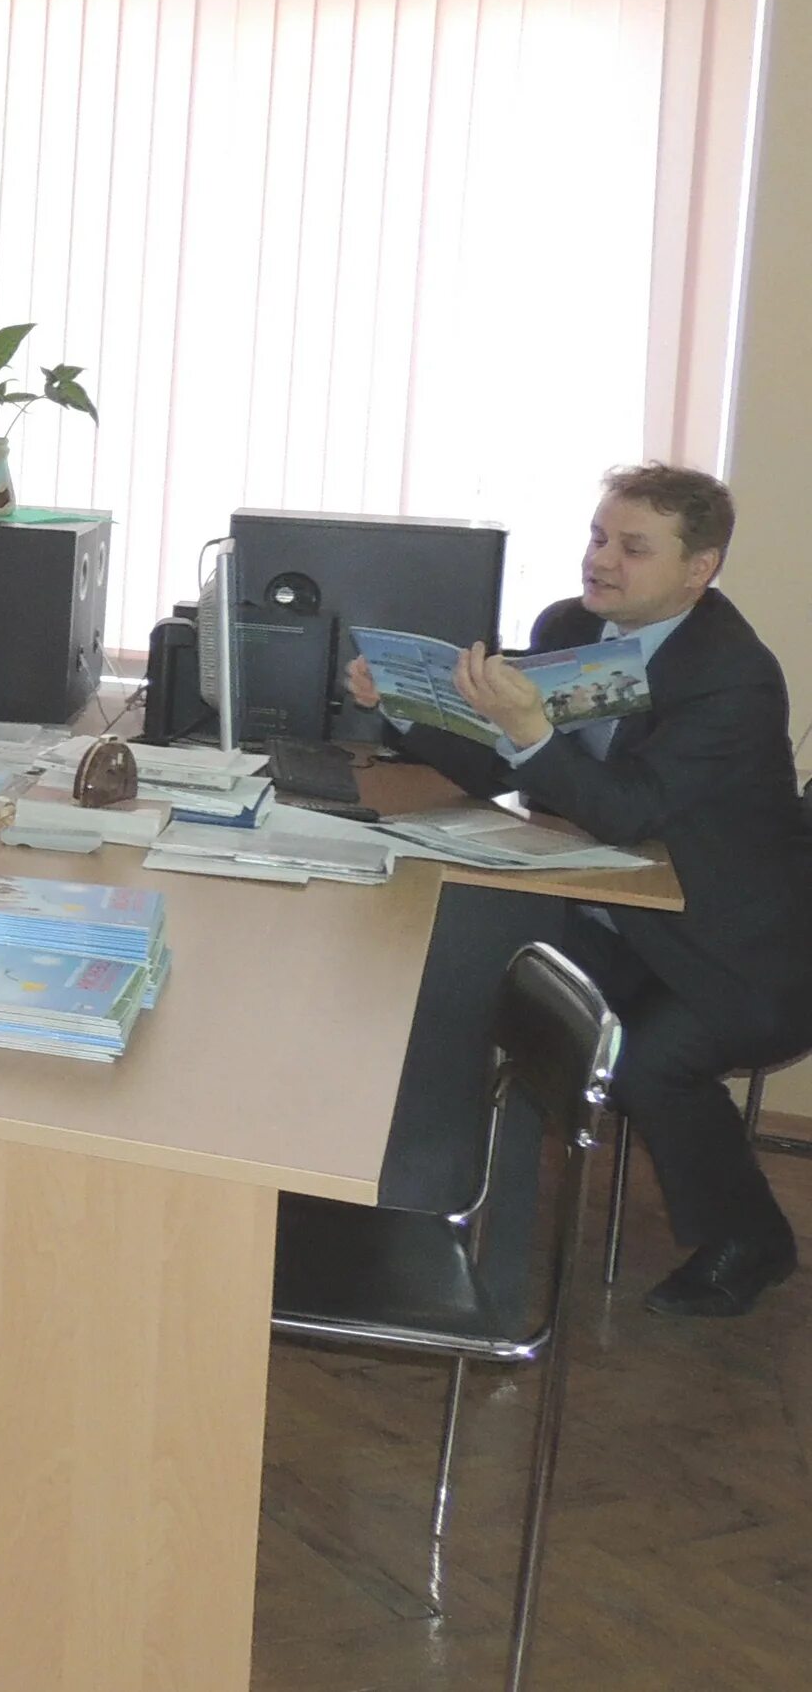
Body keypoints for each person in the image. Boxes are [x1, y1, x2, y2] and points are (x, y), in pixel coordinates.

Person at [347, 463, 812, 1319]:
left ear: (697, 569)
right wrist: (409, 710)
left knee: (646, 1058)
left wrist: (528, 730)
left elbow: (626, 810)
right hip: (613, 913)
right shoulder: (571, 626)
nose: (602, 560)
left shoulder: (730, 675)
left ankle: (752, 1239)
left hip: (730, 948)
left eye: (634, 548)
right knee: (471, 973)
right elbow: (504, 762)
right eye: (599, 537)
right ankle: (429, 1201)